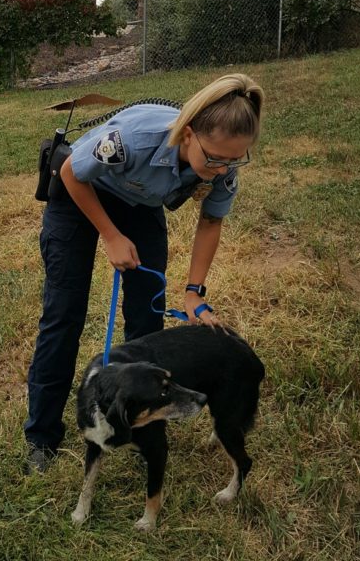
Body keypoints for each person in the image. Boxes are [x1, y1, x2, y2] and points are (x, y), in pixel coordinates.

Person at [24, 72, 264, 472]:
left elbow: (210, 222)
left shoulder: (222, 167)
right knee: (64, 316)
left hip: (138, 204)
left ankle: (139, 425)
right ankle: (41, 437)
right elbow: (70, 174)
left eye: (233, 160)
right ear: (188, 134)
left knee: (147, 322)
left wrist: (193, 293)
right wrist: (111, 235)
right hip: (79, 194)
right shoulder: (135, 138)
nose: (223, 170)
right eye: (215, 159)